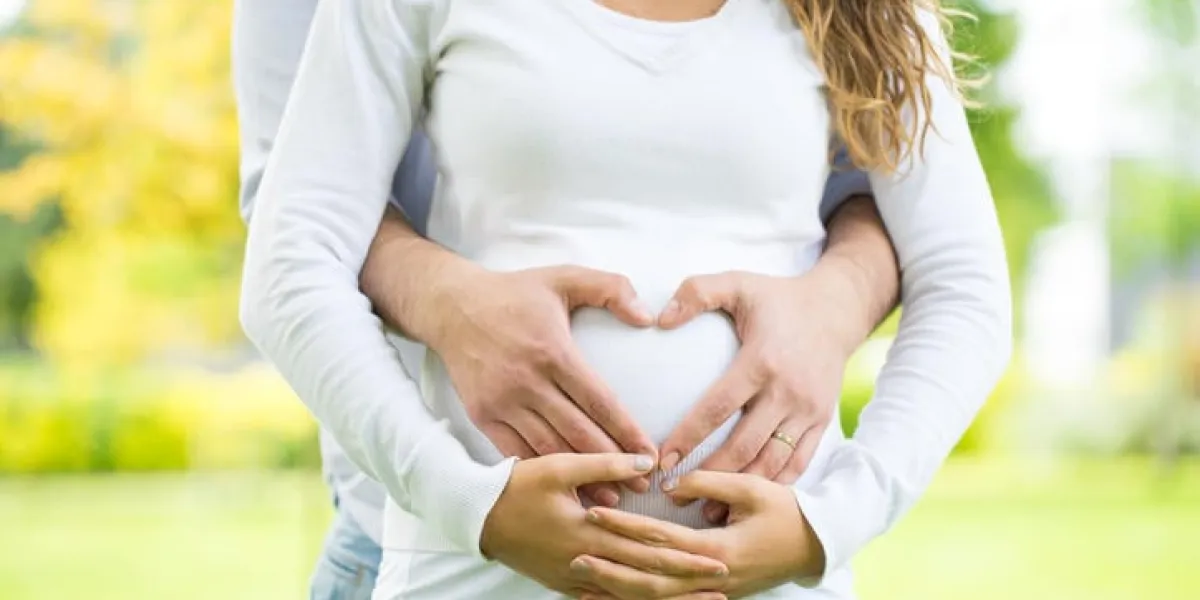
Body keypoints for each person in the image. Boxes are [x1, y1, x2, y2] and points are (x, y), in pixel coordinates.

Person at [238, 0, 1011, 598]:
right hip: (472, 575)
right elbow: (292, 253)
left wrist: (827, 524)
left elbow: (962, 280)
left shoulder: (869, 11)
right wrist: (472, 504)